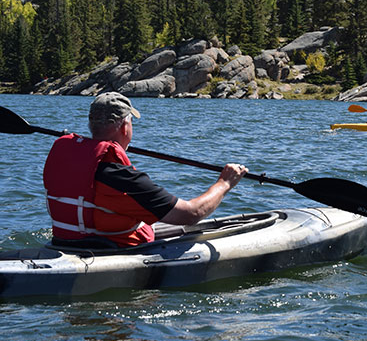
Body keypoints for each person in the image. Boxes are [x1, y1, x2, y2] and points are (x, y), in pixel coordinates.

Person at [43, 92, 248, 247]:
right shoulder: (121, 176)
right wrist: (225, 183)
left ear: (91, 125)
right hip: (113, 251)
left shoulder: (65, 162)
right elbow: (190, 214)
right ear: (125, 126)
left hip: (67, 244)